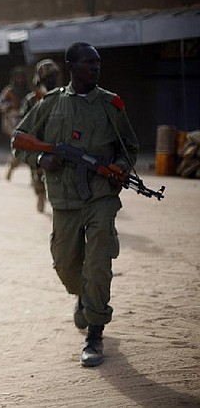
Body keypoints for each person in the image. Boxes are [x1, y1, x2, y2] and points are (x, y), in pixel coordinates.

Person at [13, 42, 139, 367]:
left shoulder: (112, 105)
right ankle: (83, 296)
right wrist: (40, 157)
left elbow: (130, 147)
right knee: (66, 265)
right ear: (71, 66)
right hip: (64, 200)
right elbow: (19, 140)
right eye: (87, 63)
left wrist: (121, 169)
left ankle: (95, 332)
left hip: (101, 198)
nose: (95, 68)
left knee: (98, 262)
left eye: (97, 63)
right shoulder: (50, 104)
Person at [18, 59, 61, 213]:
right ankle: (40, 194)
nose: (52, 80)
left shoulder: (63, 96)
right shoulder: (33, 99)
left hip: (58, 143)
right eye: (48, 78)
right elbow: (23, 123)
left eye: (53, 76)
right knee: (37, 173)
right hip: (38, 143)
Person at [0, 67, 31, 180]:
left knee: (26, 148)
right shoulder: (9, 91)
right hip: (13, 123)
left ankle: (13, 167)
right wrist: (9, 105)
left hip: (26, 122)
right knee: (20, 147)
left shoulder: (28, 92)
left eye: (22, 77)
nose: (20, 80)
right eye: (18, 77)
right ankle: (12, 167)